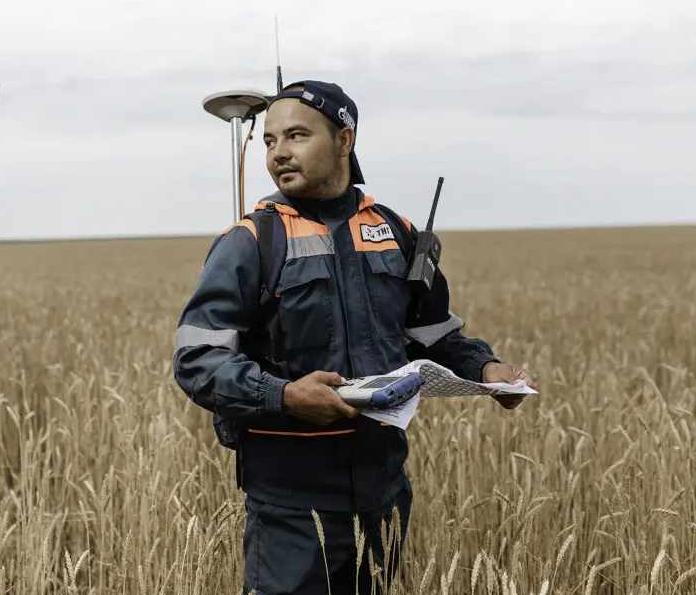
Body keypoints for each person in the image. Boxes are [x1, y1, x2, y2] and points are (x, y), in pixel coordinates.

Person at [172, 80, 535, 594]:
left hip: (382, 488)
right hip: (291, 500)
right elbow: (197, 361)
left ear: (344, 140)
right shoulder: (251, 241)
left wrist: (485, 369)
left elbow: (433, 334)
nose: (279, 154)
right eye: (271, 141)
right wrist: (285, 396)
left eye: (297, 135)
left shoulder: (398, 231)